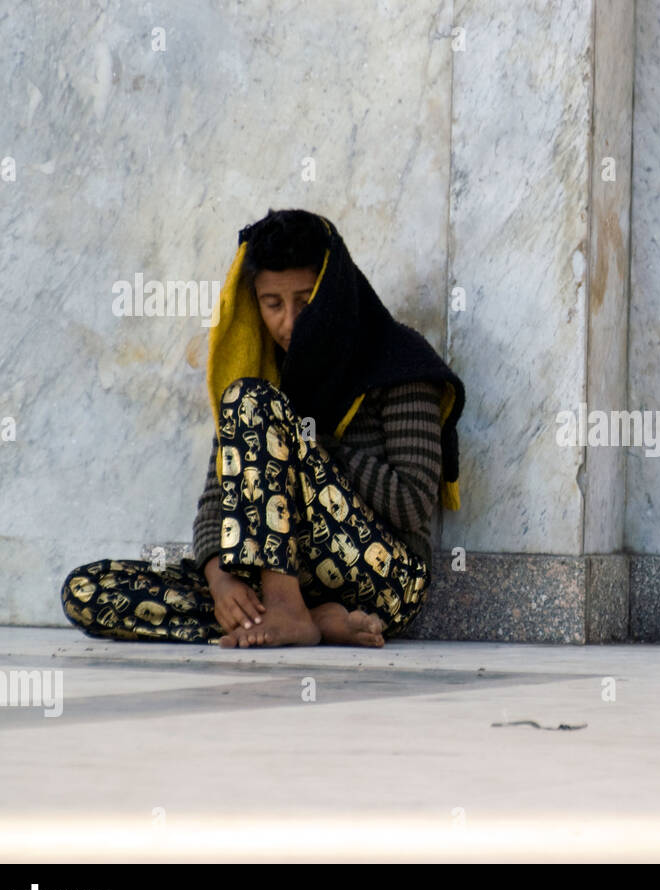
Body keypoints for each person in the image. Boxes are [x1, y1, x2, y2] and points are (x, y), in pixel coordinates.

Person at [60, 209, 466, 648]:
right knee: (88, 590)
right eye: (273, 304)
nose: (288, 323)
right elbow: (216, 504)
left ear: (332, 295)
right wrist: (220, 583)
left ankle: (287, 610)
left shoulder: (398, 360)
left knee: (252, 402)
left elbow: (412, 503)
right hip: (286, 575)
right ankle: (311, 619)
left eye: (306, 302)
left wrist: (307, 444)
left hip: (384, 581)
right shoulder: (260, 373)